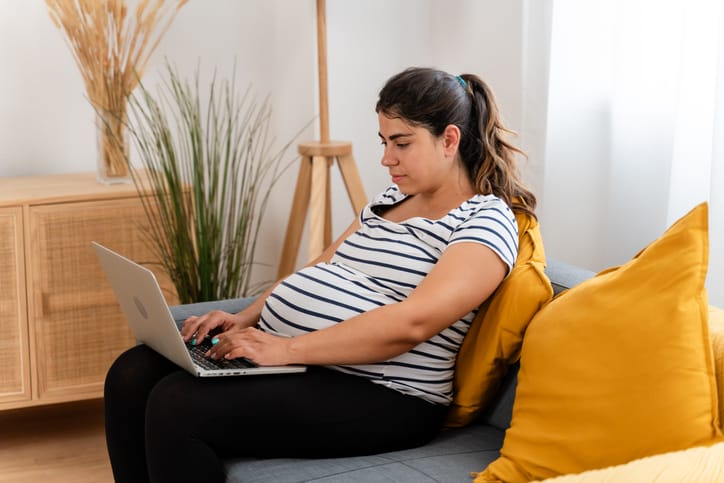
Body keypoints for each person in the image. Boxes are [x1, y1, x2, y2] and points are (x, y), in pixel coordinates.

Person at [104, 66, 537, 483]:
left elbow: (413, 324)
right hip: (319, 366)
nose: (387, 158)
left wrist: (287, 350)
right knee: (132, 373)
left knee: (176, 406)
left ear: (450, 140)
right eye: (384, 141)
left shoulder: (485, 221)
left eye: (401, 143)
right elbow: (324, 264)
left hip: (388, 395)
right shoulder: (391, 198)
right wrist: (246, 318)